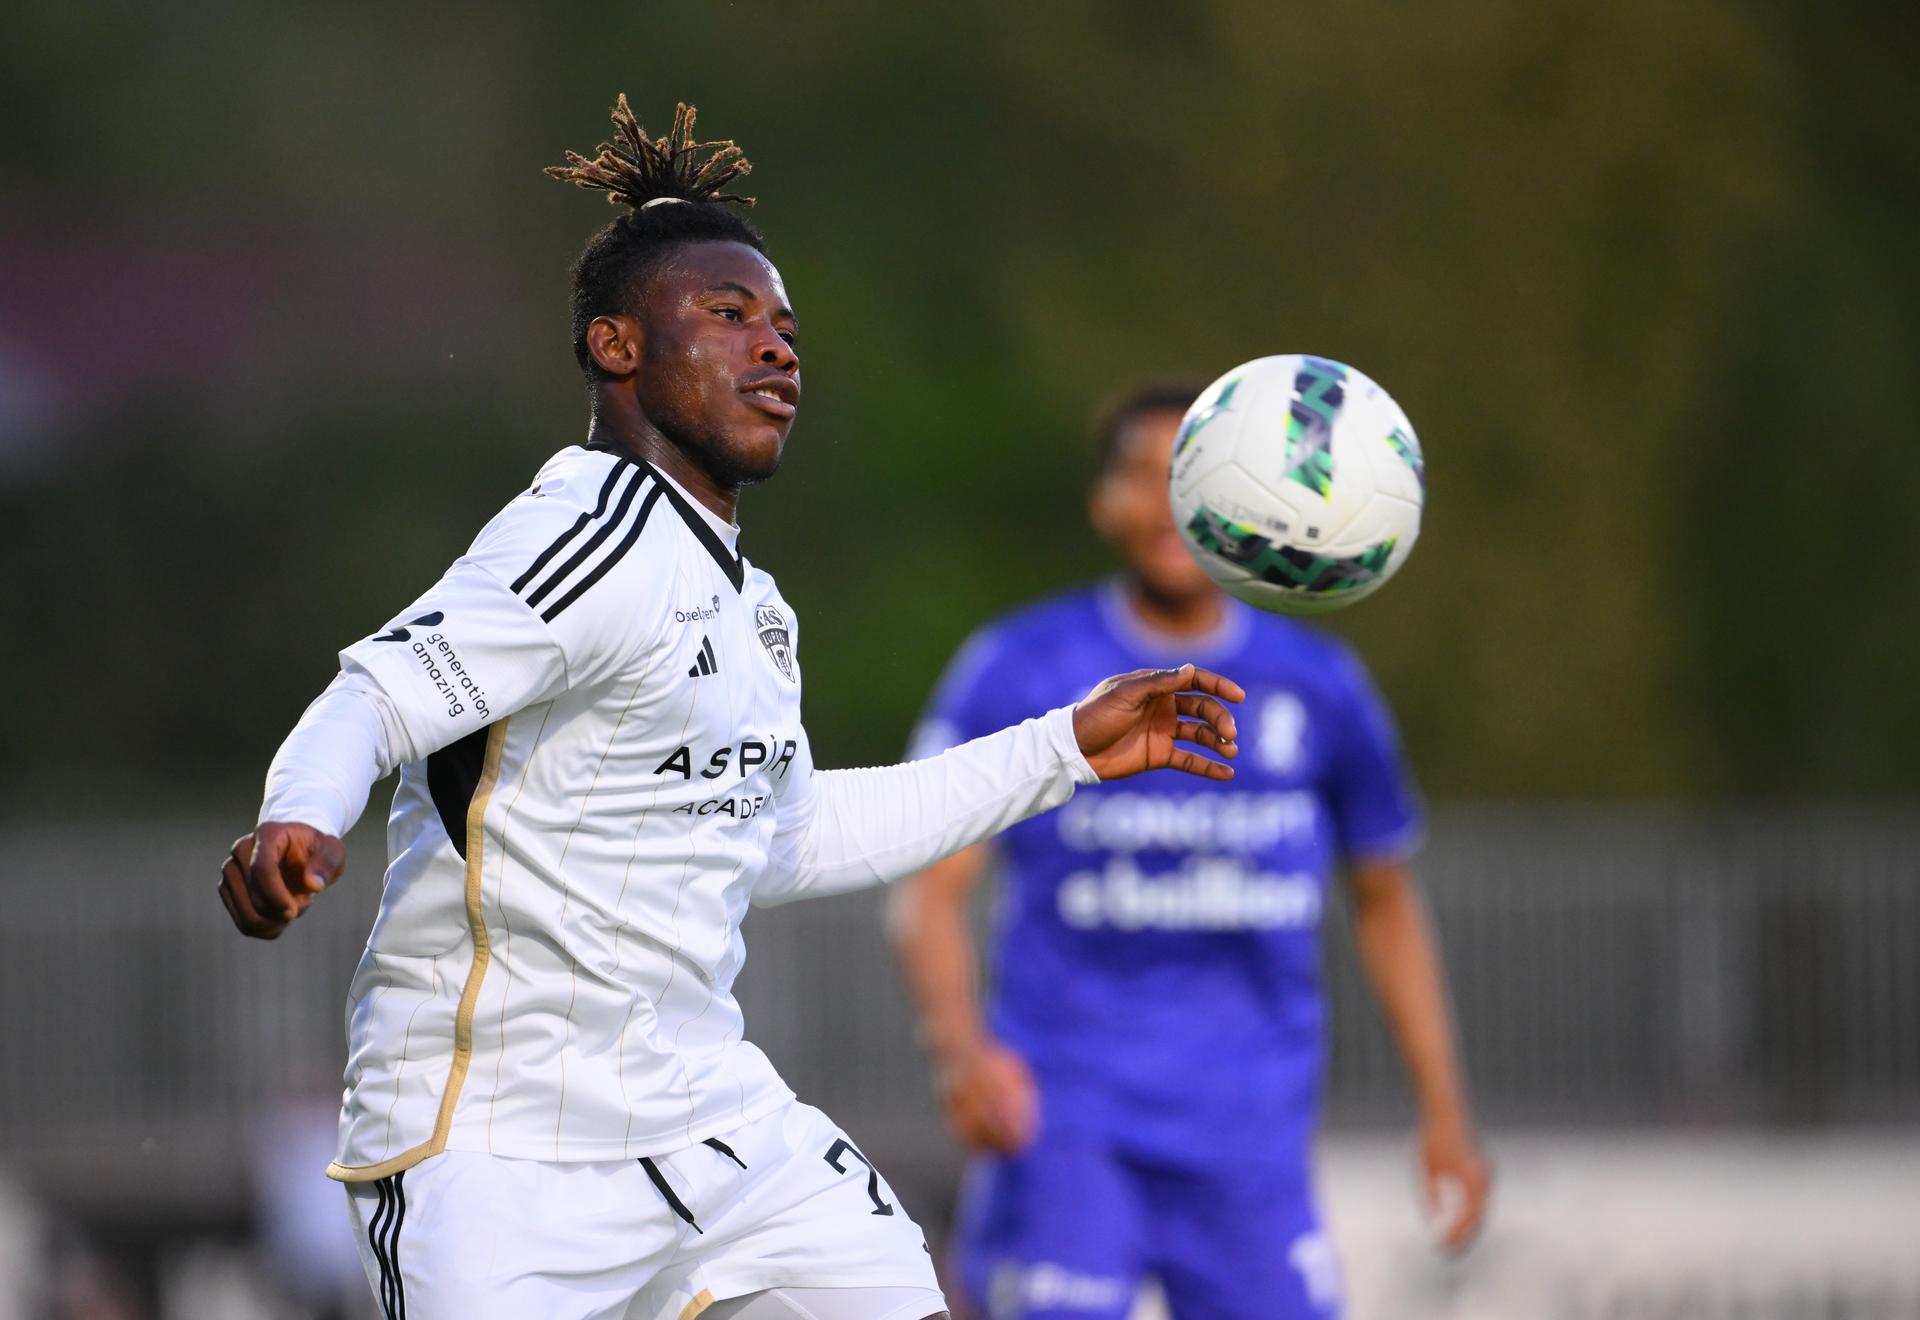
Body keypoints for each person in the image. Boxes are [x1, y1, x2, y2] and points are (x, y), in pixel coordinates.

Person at [215, 99, 1244, 1320]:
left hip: (708, 1122)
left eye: (785, 329)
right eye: (728, 315)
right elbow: (377, 695)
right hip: (496, 1152)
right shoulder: (586, 538)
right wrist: (299, 812)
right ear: (615, 347)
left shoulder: (754, 609)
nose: (777, 351)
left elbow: (790, 839)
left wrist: (1064, 747)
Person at [889, 383, 1490, 1320]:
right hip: (1066, 1125)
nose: (1172, 502)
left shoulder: (1321, 686)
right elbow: (930, 890)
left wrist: (1445, 1111)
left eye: (1194, 474)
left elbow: (1386, 901)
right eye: (1143, 474)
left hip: (1252, 1138)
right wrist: (960, 1054)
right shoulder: (1020, 668)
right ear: (1104, 504)